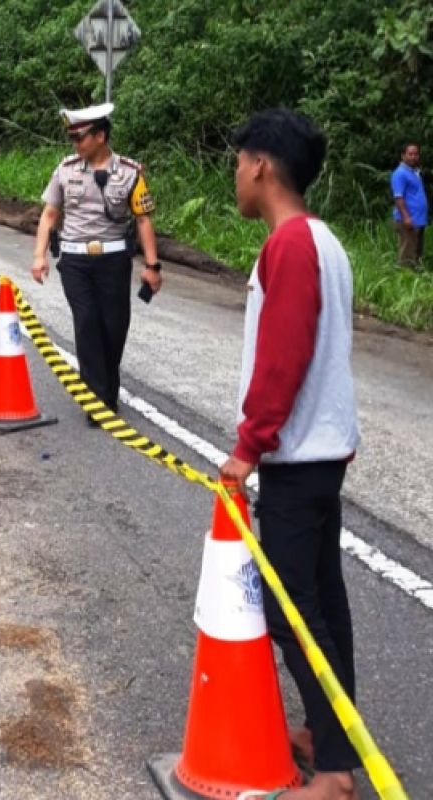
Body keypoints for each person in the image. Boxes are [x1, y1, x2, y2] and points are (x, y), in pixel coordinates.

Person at [220, 108, 362, 800]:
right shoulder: (324, 242)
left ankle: (334, 774)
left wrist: (248, 448)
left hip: (297, 458)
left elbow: (284, 358)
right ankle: (333, 735)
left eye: (239, 163)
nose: (235, 176)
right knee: (322, 602)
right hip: (322, 452)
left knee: (291, 610)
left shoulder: (291, 245)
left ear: (261, 166)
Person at [31, 103, 161, 426]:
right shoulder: (65, 169)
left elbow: (143, 220)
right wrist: (39, 256)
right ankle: (97, 401)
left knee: (113, 327)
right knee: (86, 322)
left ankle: (108, 389)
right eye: (72, 138)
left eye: (81, 137)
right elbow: (49, 215)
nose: (75, 144)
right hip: (74, 260)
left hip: (114, 259)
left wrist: (152, 266)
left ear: (100, 136)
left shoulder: (130, 173)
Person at [391, 142, 426, 269]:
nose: (413, 157)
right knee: (407, 255)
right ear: (403, 156)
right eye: (410, 154)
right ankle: (404, 279)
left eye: (416, 154)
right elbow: (398, 197)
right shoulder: (400, 173)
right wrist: (406, 217)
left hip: (418, 220)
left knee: (416, 252)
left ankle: (416, 281)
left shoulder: (414, 173)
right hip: (408, 220)